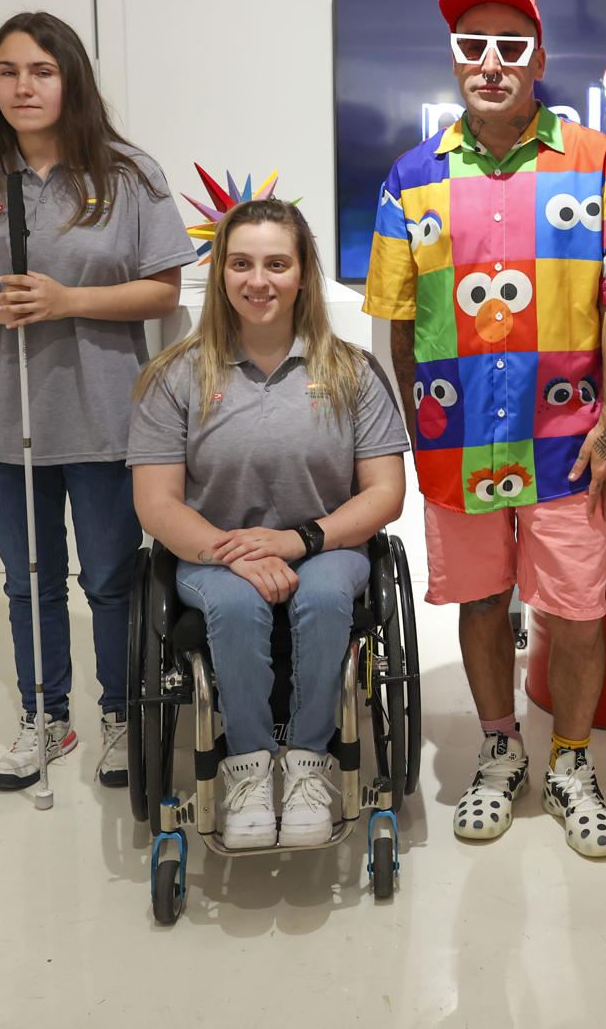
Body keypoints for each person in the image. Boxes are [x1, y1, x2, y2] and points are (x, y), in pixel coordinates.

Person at [362, 0, 606, 859]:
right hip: (460, 439)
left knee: (577, 610)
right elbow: (398, 317)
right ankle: (501, 748)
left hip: (569, 439)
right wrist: (423, 427)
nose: (490, 65)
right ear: (455, 60)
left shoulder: (599, 163)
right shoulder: (410, 177)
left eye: (509, 47)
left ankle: (571, 762)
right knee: (482, 600)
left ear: (537, 57)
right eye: (472, 47)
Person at [0, 12, 196, 791]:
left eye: (41, 71)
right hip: (5, 417)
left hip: (107, 412)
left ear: (70, 77)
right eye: (9, 72)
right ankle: (45, 718)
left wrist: (66, 299)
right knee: (27, 579)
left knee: (111, 578)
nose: (24, 87)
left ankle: (118, 714)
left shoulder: (128, 173)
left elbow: (162, 288)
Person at [131, 199, 408, 847]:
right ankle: (248, 766)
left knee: (327, 591)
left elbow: (386, 494)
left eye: (277, 264)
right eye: (243, 264)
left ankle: (311, 762)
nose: (259, 281)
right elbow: (157, 503)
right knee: (235, 605)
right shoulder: (174, 377)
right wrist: (234, 555)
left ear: (304, 273)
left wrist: (298, 540)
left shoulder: (353, 373)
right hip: (213, 552)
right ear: (220, 272)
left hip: (324, 544)